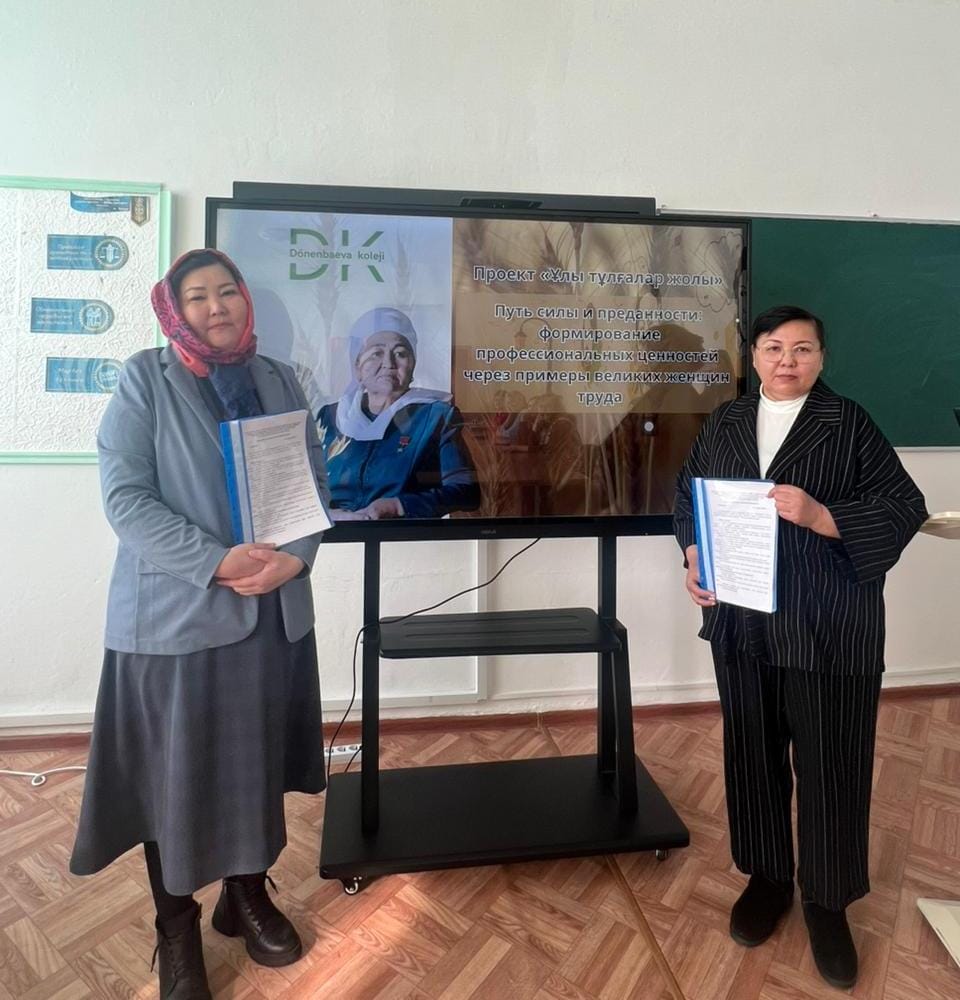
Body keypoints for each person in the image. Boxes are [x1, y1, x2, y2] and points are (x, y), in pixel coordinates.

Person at [70, 249, 331, 1000]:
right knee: (171, 781)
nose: (216, 307)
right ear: (173, 309)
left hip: (270, 611)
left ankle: (243, 895)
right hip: (177, 617)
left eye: (227, 292)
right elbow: (126, 499)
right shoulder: (144, 380)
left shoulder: (278, 379)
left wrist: (297, 558)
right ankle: (175, 926)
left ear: (245, 300)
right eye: (197, 296)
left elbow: (311, 482)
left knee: (255, 766)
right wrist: (216, 563)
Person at [673, 305, 927, 990]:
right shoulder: (726, 421)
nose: (788, 360)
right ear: (754, 355)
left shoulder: (849, 422)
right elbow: (688, 496)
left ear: (822, 357)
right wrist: (693, 553)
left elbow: (904, 506)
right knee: (751, 754)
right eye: (774, 347)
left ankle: (827, 901)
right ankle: (767, 877)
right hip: (743, 622)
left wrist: (822, 516)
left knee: (832, 763)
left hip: (828, 624)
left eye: (804, 348)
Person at [317, 306, 480, 519]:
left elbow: (466, 492)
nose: (388, 364)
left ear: (413, 365)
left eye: (400, 353)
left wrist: (399, 506)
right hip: (336, 535)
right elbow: (304, 489)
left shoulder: (435, 416)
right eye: (376, 353)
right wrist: (327, 515)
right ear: (357, 365)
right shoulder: (329, 417)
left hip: (402, 534)